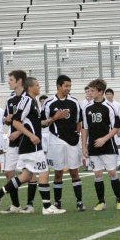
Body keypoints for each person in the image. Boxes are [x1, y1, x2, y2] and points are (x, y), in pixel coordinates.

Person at [0, 77, 64, 215]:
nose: (39, 87)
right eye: (37, 85)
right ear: (30, 87)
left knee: (25, 176)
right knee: (44, 172)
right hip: (31, 145)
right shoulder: (27, 101)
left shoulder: (34, 101)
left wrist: (53, 118)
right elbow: (16, 122)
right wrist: (31, 135)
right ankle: (47, 207)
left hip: (29, 145)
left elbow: (34, 123)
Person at [42, 75, 85, 212]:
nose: (68, 88)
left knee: (74, 171)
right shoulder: (49, 103)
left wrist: (76, 134)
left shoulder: (74, 102)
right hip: (56, 140)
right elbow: (42, 123)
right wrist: (55, 117)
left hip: (72, 141)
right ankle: (58, 202)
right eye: (66, 86)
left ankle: (79, 202)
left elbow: (79, 121)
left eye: (70, 86)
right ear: (59, 86)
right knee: (58, 172)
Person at [82, 78, 120, 211]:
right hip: (93, 147)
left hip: (108, 145)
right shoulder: (87, 108)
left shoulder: (110, 107)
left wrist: (104, 139)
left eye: (93, 91)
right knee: (97, 174)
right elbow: (85, 128)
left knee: (112, 172)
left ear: (100, 92)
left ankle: (119, 199)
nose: (90, 93)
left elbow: (116, 127)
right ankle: (101, 201)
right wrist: (84, 145)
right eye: (89, 90)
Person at [0, 70, 27, 210]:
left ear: (19, 81)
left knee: (28, 173)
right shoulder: (11, 99)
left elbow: (31, 121)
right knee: (9, 172)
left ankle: (30, 204)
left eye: (11, 80)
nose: (9, 82)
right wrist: (6, 119)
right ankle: (15, 204)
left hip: (26, 140)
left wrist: (18, 132)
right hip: (13, 141)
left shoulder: (28, 98)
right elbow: (5, 119)